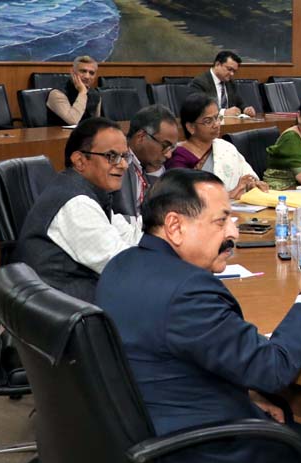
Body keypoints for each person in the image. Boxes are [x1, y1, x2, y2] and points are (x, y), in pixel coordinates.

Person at [95, 169, 301, 463]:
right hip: (197, 451)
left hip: (147, 426)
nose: (233, 232)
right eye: (221, 221)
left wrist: (245, 395)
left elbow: (168, 356)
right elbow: (273, 369)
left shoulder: (121, 265)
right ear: (175, 226)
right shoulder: (189, 291)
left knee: (282, 410)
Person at [9, 117, 142, 302]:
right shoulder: (76, 204)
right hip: (63, 316)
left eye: (125, 156)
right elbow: (122, 266)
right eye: (112, 156)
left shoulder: (89, 191)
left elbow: (128, 234)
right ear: (80, 160)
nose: (123, 165)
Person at [167, 93, 268, 199]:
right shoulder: (179, 157)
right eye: (208, 121)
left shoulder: (225, 147)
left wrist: (251, 184)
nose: (216, 124)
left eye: (217, 118)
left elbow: (246, 174)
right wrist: (230, 194)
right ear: (191, 127)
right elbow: (182, 199)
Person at [112, 105, 179, 218]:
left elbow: (163, 210)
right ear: (141, 137)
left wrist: (154, 173)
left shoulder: (150, 164)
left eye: (171, 148)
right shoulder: (116, 161)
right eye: (165, 146)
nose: (168, 155)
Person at [189, 50, 257, 118]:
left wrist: (246, 109)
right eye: (229, 69)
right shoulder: (200, 82)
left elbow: (240, 103)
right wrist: (224, 112)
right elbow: (198, 108)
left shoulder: (231, 83)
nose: (232, 74)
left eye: (234, 71)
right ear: (217, 64)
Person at [46, 55, 102, 126]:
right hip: (60, 136)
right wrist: (82, 92)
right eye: (83, 71)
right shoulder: (57, 94)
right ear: (72, 72)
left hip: (86, 135)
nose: (87, 76)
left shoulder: (95, 94)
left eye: (91, 73)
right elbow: (73, 121)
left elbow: (96, 124)